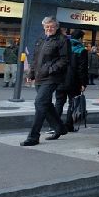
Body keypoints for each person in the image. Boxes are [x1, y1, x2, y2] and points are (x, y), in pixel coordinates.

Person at [20, 17, 70, 146]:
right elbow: (35, 58)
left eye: (52, 26)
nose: (49, 29)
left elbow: (65, 60)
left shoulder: (62, 40)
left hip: (52, 77)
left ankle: (33, 136)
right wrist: (31, 73)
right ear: (43, 27)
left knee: (40, 103)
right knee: (45, 104)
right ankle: (60, 127)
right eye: (47, 27)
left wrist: (51, 69)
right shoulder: (41, 39)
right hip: (39, 76)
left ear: (57, 27)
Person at [55, 29, 89, 133]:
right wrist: (83, 83)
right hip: (74, 81)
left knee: (59, 102)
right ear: (80, 38)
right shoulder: (81, 50)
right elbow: (82, 69)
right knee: (72, 103)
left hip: (60, 79)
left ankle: (55, 125)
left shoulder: (62, 47)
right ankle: (68, 125)